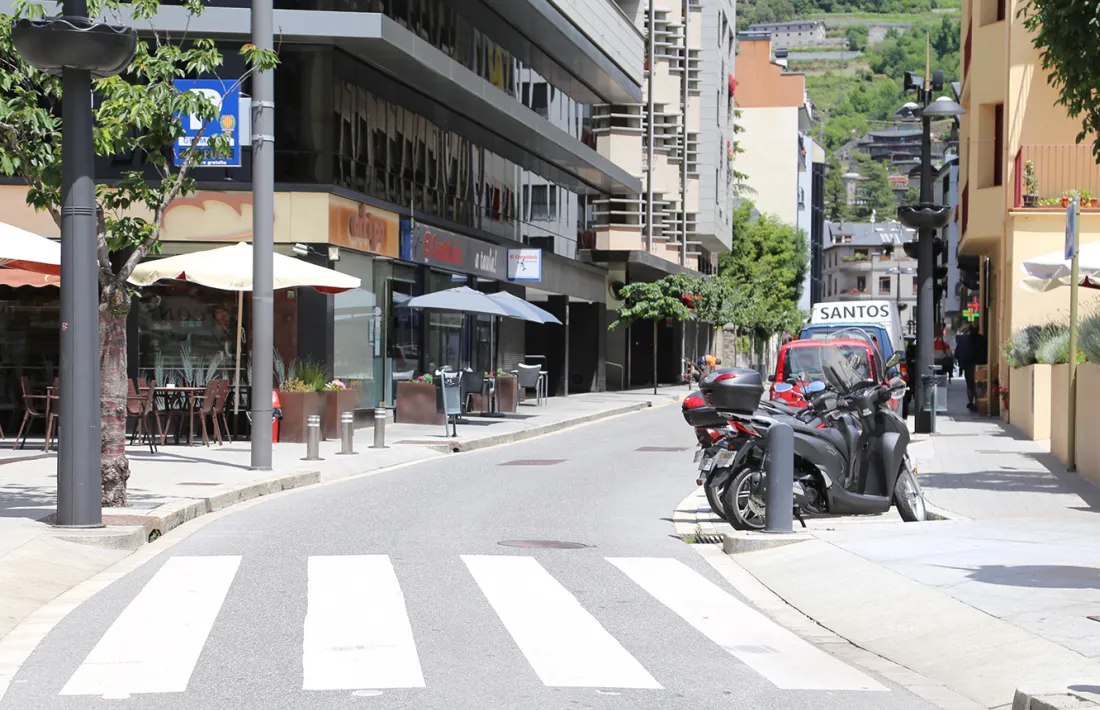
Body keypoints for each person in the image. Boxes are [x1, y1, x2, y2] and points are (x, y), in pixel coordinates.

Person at [955, 326, 974, 411]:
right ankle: (978, 401)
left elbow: (957, 354)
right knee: (980, 385)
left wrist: (961, 365)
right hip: (981, 365)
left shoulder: (962, 341)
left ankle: (971, 402)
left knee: (970, 385)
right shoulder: (982, 339)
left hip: (968, 366)